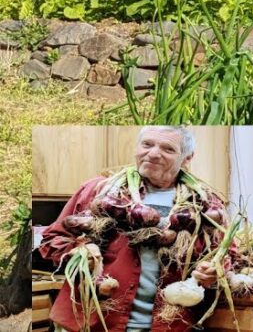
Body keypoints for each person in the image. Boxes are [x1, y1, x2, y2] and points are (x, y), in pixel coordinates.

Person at [40, 126, 225, 332]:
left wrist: (213, 272)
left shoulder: (204, 204)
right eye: (147, 144)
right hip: (93, 321)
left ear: (187, 158)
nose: (153, 154)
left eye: (168, 149)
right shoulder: (100, 190)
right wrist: (78, 254)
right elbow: (52, 238)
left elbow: (226, 255)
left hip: (168, 324)